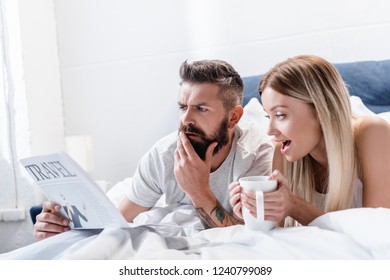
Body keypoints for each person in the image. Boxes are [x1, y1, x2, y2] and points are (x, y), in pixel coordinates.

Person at [34, 59, 273, 240]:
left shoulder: (257, 156)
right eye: (182, 107)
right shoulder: (164, 153)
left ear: (233, 118)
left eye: (201, 109)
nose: (185, 120)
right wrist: (62, 231)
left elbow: (251, 240)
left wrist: (198, 190)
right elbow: (116, 223)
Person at [229, 54, 390, 227]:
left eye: (281, 115)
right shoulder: (281, 153)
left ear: (322, 110)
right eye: (268, 116)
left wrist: (295, 206)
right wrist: (255, 214)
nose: (270, 130)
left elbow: (376, 233)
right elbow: (279, 241)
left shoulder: (373, 133)